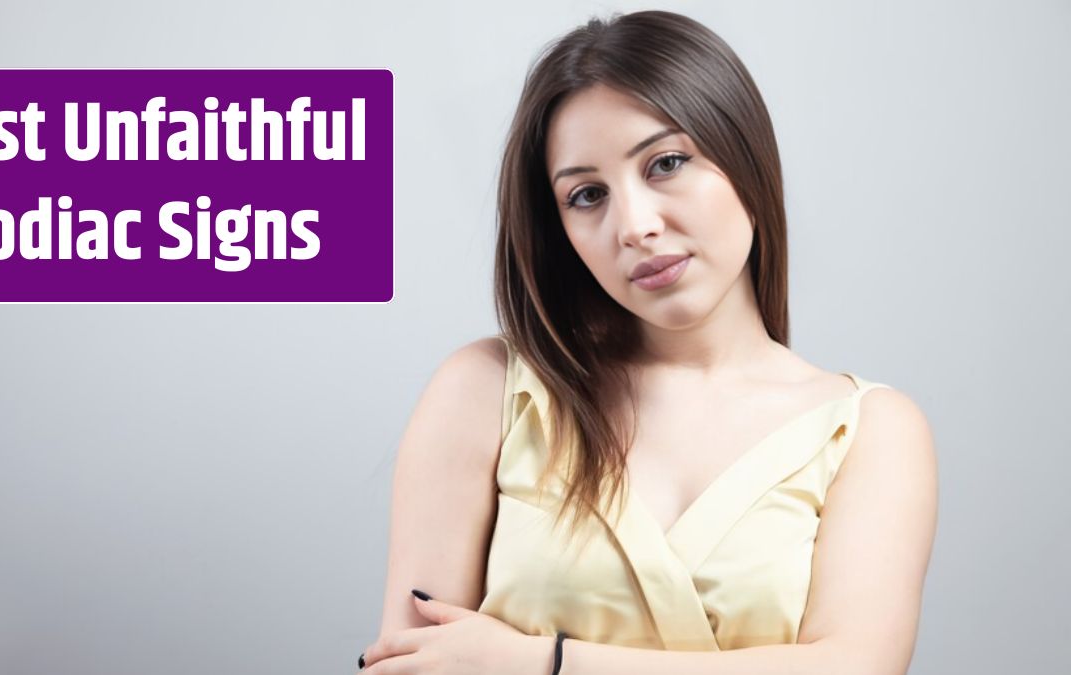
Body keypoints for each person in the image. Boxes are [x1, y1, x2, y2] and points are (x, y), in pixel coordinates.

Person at [360, 10, 937, 675]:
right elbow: (413, 664)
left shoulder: (869, 430)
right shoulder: (488, 388)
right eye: (586, 195)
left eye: (665, 162)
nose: (634, 225)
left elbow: (858, 667)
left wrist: (543, 662)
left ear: (743, 153)